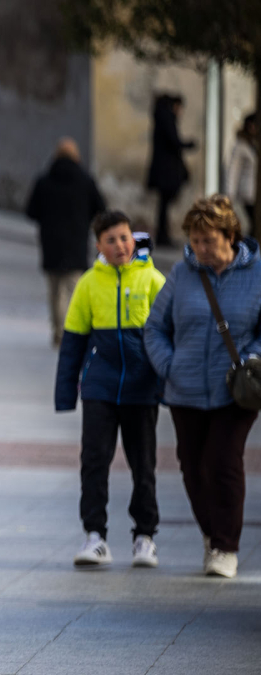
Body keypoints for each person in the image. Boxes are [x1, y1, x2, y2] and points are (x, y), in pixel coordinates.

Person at [144, 195, 261, 579]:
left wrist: (252, 359)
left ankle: (226, 547)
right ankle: (211, 535)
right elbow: (155, 328)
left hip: (236, 389)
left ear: (230, 235)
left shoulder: (257, 273)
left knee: (223, 461)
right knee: (193, 468)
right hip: (186, 389)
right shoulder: (182, 273)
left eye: (208, 240)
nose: (200, 248)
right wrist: (169, 366)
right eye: (195, 240)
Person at [55, 212, 166, 569]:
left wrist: (167, 387)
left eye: (124, 238)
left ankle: (144, 537)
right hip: (99, 388)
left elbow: (170, 339)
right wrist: (65, 395)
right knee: (93, 461)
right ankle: (95, 535)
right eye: (111, 240)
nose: (119, 246)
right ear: (98, 245)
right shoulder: (89, 284)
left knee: (143, 464)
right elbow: (73, 342)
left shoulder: (153, 281)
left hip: (141, 389)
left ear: (133, 239)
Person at [26, 137, 108, 347]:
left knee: (54, 291)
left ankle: (58, 331)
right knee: (73, 289)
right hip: (76, 242)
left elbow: (31, 211)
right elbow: (100, 207)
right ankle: (71, 331)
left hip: (51, 243)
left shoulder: (44, 180)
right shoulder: (85, 180)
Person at [146, 94, 196, 247]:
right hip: (167, 171)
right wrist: (188, 145)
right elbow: (174, 141)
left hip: (164, 170)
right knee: (165, 203)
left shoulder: (161, 117)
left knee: (164, 203)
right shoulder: (166, 118)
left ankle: (163, 234)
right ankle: (163, 235)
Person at [226, 113, 257, 233]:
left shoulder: (253, 144)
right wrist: (230, 195)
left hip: (254, 192)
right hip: (248, 192)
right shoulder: (240, 146)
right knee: (254, 223)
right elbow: (233, 171)